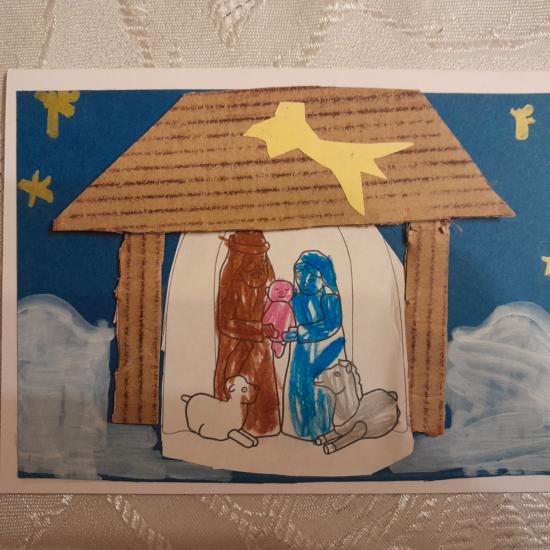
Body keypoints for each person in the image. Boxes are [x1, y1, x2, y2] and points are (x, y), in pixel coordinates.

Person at [214, 231, 280, 437]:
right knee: (237, 400)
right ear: (240, 259)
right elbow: (225, 323)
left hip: (260, 351)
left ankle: (264, 430)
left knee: (262, 402)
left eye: (262, 257)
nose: (258, 263)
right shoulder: (232, 282)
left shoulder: (266, 278)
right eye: (252, 259)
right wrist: (258, 329)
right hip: (236, 352)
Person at [283, 251, 346, 441]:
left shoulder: (329, 297)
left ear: (324, 277)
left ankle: (321, 429)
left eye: (311, 277)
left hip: (326, 350)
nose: (304, 281)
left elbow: (331, 325)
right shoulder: (297, 298)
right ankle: (299, 428)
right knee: (299, 385)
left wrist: (300, 332)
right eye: (300, 275)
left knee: (321, 388)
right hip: (303, 352)